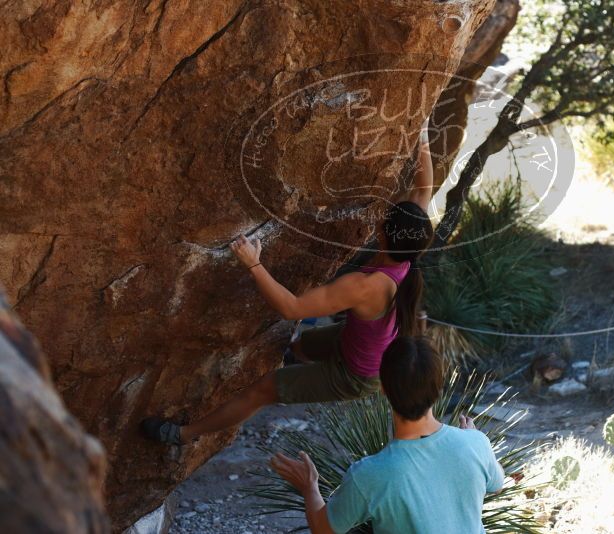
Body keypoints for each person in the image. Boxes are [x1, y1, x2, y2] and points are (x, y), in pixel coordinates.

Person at [141, 125, 435, 446]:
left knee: (263, 389)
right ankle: (294, 363)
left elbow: (290, 308)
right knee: (297, 347)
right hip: (360, 343)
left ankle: (184, 435)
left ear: (383, 234)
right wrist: (422, 137)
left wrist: (254, 264)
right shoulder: (408, 248)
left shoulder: (365, 287)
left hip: (354, 376)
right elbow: (424, 189)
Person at [271, 336, 505, 534]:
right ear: (438, 387)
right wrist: (474, 439)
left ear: (382, 387)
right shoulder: (476, 443)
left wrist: (309, 486)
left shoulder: (369, 474)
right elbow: (497, 484)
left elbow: (324, 529)